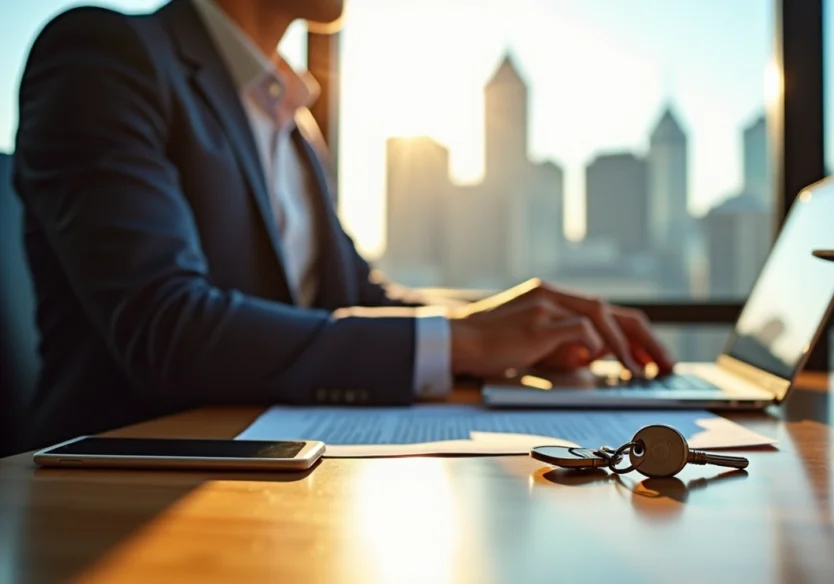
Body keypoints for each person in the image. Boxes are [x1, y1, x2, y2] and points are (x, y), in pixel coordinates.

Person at [13, 0, 675, 449]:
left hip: (276, 468)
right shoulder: (106, 55)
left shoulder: (295, 125)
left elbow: (360, 295)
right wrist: (466, 342)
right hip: (122, 489)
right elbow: (167, 326)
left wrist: (513, 324)